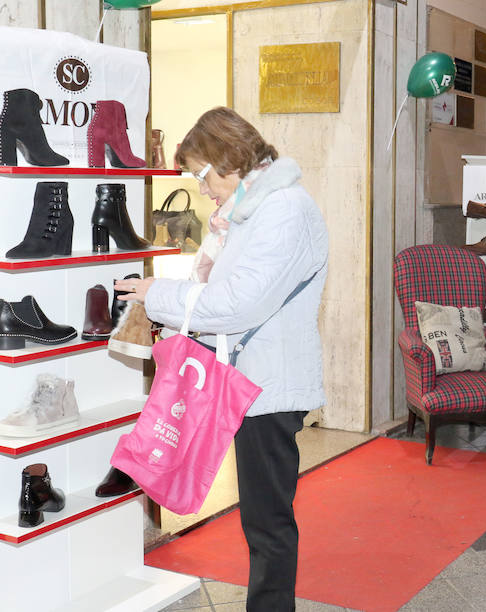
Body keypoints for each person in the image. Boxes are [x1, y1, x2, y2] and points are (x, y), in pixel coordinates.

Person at [116, 107, 329, 611]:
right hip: (246, 377)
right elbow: (223, 291)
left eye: (201, 174)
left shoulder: (283, 209)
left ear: (227, 159)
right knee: (260, 515)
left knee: (267, 520)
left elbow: (239, 304)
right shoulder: (247, 210)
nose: (201, 187)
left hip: (268, 386)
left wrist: (156, 293)